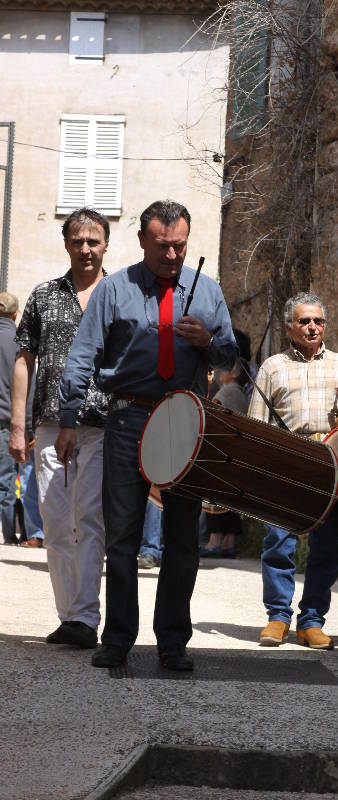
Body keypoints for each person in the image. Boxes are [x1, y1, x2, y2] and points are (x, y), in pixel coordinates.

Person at [55, 199, 237, 671]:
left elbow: (230, 357)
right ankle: (117, 639)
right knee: (121, 537)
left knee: (182, 537)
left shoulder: (207, 291)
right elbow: (83, 354)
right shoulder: (114, 289)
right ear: (141, 241)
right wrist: (69, 416)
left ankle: (173, 642)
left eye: (179, 246)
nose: (172, 255)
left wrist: (207, 342)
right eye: (162, 246)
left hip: (185, 422)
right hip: (128, 418)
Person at [9, 209, 109, 649]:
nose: (85, 249)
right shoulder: (44, 295)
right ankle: (69, 615)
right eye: (77, 241)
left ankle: (85, 617)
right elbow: (23, 360)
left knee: (88, 518)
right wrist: (18, 425)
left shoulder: (119, 294)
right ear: (66, 244)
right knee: (53, 521)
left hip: (102, 424)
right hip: (50, 423)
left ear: (105, 244)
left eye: (93, 241)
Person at [249, 291, 338, 649]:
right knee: (278, 542)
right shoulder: (272, 367)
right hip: (286, 462)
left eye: (318, 320)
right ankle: (278, 617)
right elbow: (256, 424)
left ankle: (312, 621)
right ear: (290, 328)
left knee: (327, 546)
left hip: (330, 463)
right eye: (304, 321)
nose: (313, 327)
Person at [200, 357, 249, 558]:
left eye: (226, 369)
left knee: (215, 498)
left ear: (234, 373)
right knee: (230, 502)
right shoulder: (241, 394)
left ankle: (214, 542)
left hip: (222, 451)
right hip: (236, 452)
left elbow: (213, 416)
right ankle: (229, 543)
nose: (220, 373)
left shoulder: (227, 391)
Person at [0, 292, 23, 545]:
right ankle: (8, 534)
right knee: (5, 482)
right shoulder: (18, 343)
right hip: (6, 422)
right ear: (15, 314)